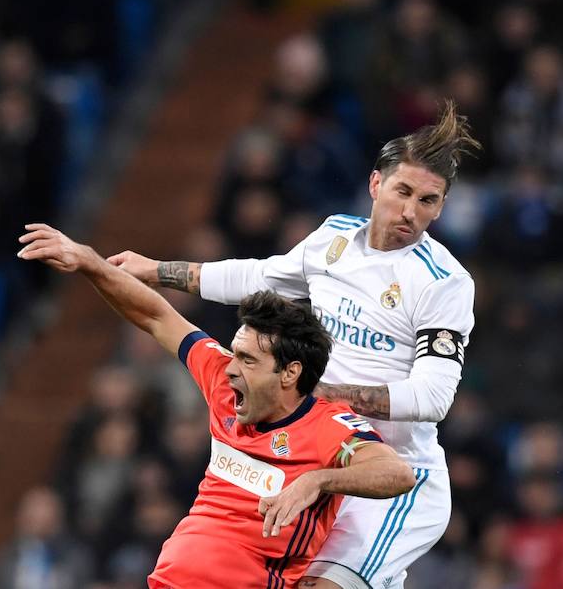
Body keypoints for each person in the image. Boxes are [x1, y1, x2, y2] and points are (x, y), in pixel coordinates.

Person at [109, 100, 480, 589]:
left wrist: (321, 397)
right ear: (375, 184)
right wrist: (158, 271)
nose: (411, 212)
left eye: (428, 201)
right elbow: (258, 276)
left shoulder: (444, 283)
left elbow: (433, 398)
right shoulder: (335, 240)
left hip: (393, 480)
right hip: (318, 462)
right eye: (402, 191)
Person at [17, 223, 416, 589]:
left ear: (290, 373)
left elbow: (396, 473)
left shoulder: (328, 428)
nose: (230, 369)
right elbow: (156, 315)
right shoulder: (224, 383)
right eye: (235, 352)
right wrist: (90, 262)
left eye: (248, 360)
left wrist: (318, 481)